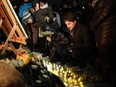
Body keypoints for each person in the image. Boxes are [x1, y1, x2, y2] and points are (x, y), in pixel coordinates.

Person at [90, 0, 116, 83]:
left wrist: (95, 23)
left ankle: (107, 78)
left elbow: (105, 12)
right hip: (100, 29)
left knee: (105, 53)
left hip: (107, 28)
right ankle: (103, 75)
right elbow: (97, 13)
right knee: (102, 52)